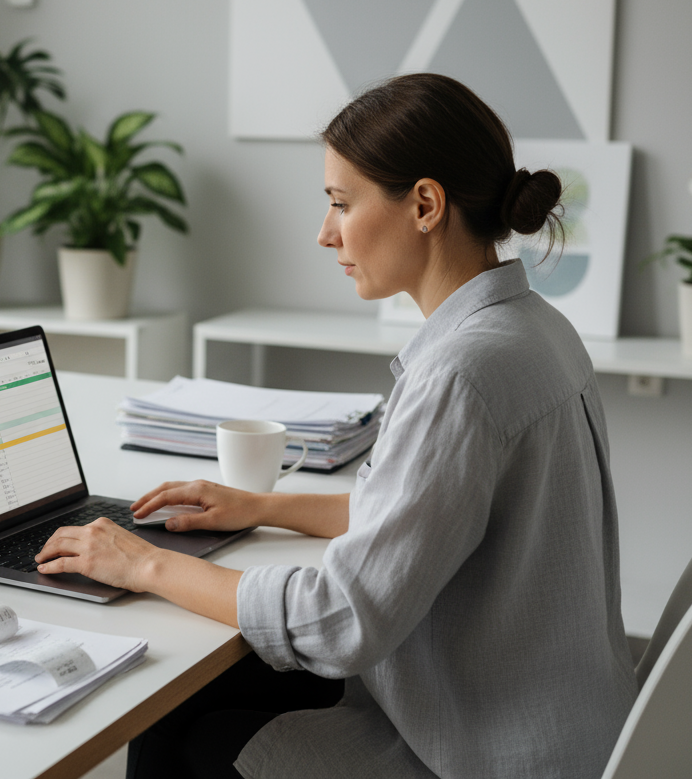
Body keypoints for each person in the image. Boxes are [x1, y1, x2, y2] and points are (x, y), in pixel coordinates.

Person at [34, 73, 638, 779]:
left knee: (180, 733)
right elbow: (425, 511)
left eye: (341, 204)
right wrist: (262, 507)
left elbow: (341, 620)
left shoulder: (461, 374)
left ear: (425, 205)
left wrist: (144, 564)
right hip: (551, 717)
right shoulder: (534, 328)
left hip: (483, 747)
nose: (326, 234)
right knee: (201, 698)